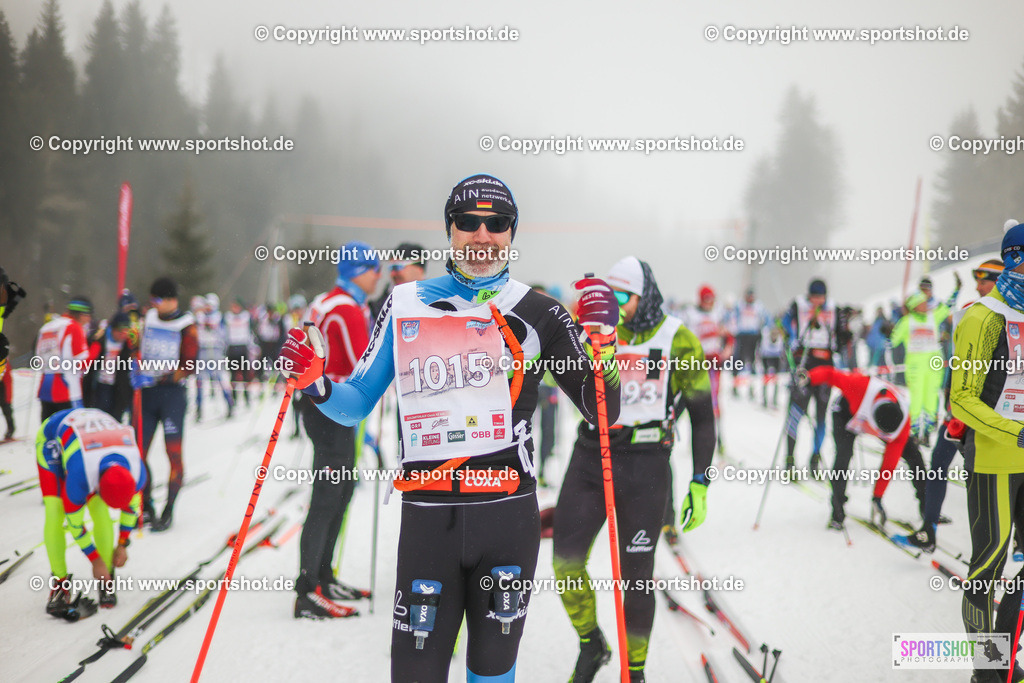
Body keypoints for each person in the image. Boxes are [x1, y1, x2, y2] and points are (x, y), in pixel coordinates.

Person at [279, 173, 620, 682]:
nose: (482, 235)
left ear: (512, 232)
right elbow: (355, 405)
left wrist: (606, 346)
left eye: (496, 223)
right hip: (427, 522)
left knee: (491, 675)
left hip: (506, 519)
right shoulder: (406, 302)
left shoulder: (541, 313)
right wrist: (316, 383)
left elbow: (603, 411)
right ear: (450, 230)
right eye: (468, 222)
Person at [553, 256, 714, 683]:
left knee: (636, 579)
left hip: (646, 465)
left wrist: (700, 481)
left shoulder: (679, 339)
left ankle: (635, 671)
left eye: (624, 297)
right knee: (566, 563)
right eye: (610, 297)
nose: (616, 306)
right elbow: (554, 379)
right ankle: (592, 644)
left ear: (645, 296)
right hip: (591, 456)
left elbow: (702, 415)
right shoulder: (594, 332)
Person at [290, 240, 381, 620]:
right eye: (374, 268)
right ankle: (307, 590)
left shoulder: (329, 299)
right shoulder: (344, 307)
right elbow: (367, 362)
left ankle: (323, 577)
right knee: (328, 496)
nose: (378, 276)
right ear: (360, 270)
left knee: (340, 491)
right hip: (330, 408)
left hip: (326, 405)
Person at [951, 222, 1024, 683]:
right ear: (1014, 259)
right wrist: (1011, 430)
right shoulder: (982, 317)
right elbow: (962, 397)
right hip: (996, 459)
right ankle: (986, 670)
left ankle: (1006, 657)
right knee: (988, 565)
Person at [901, 260, 1004, 553]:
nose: (979, 286)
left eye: (985, 281)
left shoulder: (1012, 314)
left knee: (984, 480)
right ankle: (929, 530)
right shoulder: (970, 310)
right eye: (978, 281)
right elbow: (956, 360)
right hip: (959, 410)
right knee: (938, 466)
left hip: (993, 412)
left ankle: (1000, 546)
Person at [38, 407, 146, 618]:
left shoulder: (137, 471)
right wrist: (94, 560)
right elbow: (74, 525)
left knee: (99, 510)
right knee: (55, 510)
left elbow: (132, 509)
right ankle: (60, 584)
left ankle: (106, 578)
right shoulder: (81, 476)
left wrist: (123, 544)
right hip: (53, 434)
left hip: (93, 440)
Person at [799, 365, 926, 529]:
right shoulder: (858, 385)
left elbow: (889, 463)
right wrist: (809, 377)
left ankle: (927, 506)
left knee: (914, 455)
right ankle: (837, 510)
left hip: (877, 418)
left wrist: (877, 498)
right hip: (846, 414)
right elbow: (830, 375)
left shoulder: (901, 426)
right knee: (843, 456)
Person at [131, 277, 197, 532]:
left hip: (172, 396)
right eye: (152, 300)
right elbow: (133, 343)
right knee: (137, 453)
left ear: (171, 300)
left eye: (158, 300)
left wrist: (162, 375)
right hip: (147, 396)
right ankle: (146, 505)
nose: (154, 305)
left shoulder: (186, 324)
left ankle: (169, 509)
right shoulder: (146, 319)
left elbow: (190, 365)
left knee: (173, 454)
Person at [781, 279, 838, 473]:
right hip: (803, 362)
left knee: (821, 416)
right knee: (795, 413)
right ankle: (790, 459)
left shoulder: (833, 307)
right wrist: (791, 336)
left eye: (820, 298)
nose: (817, 302)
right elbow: (785, 323)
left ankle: (815, 458)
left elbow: (841, 333)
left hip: (825, 364)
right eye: (814, 298)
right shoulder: (799, 304)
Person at [889, 291, 952, 444]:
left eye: (925, 302)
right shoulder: (906, 321)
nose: (925, 305)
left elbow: (947, 307)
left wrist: (956, 289)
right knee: (917, 398)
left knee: (931, 397)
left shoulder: (933, 317)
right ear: (915, 306)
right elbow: (893, 341)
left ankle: (928, 432)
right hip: (915, 366)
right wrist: (889, 330)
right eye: (922, 303)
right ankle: (915, 431)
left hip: (933, 364)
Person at [683, 285, 732, 452]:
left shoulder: (717, 313)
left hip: (713, 363)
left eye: (712, 300)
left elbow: (729, 336)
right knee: (695, 400)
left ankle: (719, 438)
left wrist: (727, 350)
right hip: (697, 362)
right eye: (707, 300)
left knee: (714, 400)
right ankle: (697, 437)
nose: (710, 303)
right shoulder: (691, 314)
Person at [36, 297, 92, 421]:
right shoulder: (74, 327)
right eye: (88, 315)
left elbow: (38, 359)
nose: (89, 319)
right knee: (70, 433)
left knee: (48, 431)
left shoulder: (46, 327)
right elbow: (83, 362)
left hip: (45, 386)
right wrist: (95, 349)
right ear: (81, 314)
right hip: (66, 389)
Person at [88, 312, 137, 422]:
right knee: (99, 417)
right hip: (101, 385)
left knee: (115, 418)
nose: (123, 334)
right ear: (113, 329)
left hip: (118, 387)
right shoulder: (100, 339)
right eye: (120, 330)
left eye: (126, 330)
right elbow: (88, 362)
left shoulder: (128, 344)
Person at [370, 242, 428, 320]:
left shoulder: (436, 303)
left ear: (419, 269)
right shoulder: (377, 308)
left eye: (397, 267)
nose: (392, 274)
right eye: (390, 268)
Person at [728, 287, 768, 400]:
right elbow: (732, 318)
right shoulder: (739, 305)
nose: (750, 298)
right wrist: (734, 330)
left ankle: (751, 387)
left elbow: (765, 319)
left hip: (753, 335)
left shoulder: (759, 306)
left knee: (752, 361)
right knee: (738, 360)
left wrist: (762, 331)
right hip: (741, 335)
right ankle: (735, 386)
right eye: (748, 296)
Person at [224, 299, 254, 410]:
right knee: (233, 376)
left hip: (243, 347)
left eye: (236, 306)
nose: (234, 308)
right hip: (232, 348)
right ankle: (234, 398)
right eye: (233, 306)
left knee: (246, 375)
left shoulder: (246, 316)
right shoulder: (227, 317)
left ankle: (247, 397)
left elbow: (252, 330)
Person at [759, 319, 785, 409]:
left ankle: (774, 399)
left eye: (776, 334)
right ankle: (764, 399)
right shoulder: (765, 334)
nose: (774, 336)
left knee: (776, 378)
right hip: (766, 356)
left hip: (776, 357)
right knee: (766, 378)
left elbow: (782, 350)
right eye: (773, 334)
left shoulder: (780, 338)